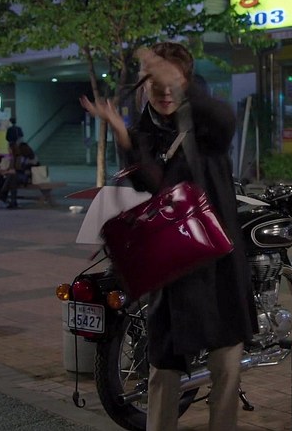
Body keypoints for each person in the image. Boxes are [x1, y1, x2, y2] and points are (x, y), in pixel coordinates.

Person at [79, 42, 256, 431]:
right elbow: (150, 184)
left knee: (226, 369)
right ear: (143, 84)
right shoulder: (142, 132)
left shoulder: (204, 121)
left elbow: (225, 121)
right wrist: (124, 138)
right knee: (163, 371)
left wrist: (176, 83)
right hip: (174, 268)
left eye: (171, 81)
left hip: (219, 264)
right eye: (154, 81)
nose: (163, 91)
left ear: (186, 81)